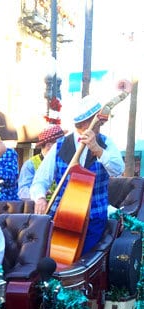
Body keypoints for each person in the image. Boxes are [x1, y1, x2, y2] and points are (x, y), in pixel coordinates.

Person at [30, 95, 124, 255]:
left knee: (82, 262)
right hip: (62, 217)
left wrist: (98, 149)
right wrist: (39, 198)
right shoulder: (59, 146)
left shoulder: (106, 143)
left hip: (94, 218)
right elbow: (39, 181)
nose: (100, 126)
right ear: (87, 123)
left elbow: (118, 169)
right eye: (98, 123)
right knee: (57, 259)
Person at [17, 124, 66, 200]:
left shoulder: (63, 161)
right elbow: (22, 192)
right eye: (60, 143)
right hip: (37, 208)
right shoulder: (30, 165)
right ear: (49, 145)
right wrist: (39, 193)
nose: (63, 145)